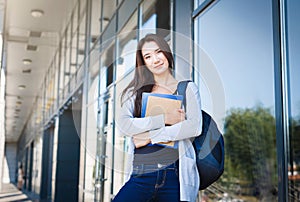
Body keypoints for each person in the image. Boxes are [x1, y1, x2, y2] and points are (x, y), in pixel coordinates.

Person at [114, 33, 202, 202]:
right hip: (141, 173)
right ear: (144, 63)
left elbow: (194, 127)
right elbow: (123, 126)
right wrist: (164, 118)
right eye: (148, 56)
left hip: (173, 177)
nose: (155, 59)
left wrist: (149, 136)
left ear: (166, 53)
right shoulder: (137, 93)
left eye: (158, 52)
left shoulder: (187, 89)